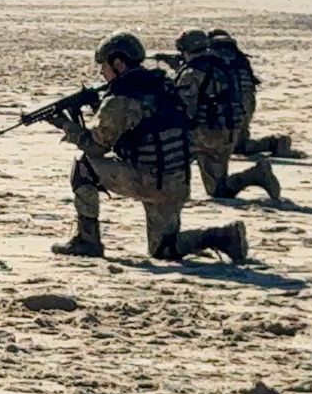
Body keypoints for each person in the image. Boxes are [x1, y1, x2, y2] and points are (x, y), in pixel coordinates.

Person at [50, 32, 248, 262]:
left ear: (118, 63)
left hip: (149, 179)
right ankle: (221, 237)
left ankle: (87, 241)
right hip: (176, 179)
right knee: (163, 248)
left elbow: (96, 146)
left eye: (104, 66)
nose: (101, 73)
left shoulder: (121, 98)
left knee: (84, 166)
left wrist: (66, 125)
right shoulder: (161, 84)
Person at [174, 30, 280, 201]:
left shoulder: (192, 72)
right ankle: (255, 175)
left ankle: (173, 194)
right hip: (228, 133)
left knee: (169, 160)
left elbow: (183, 109)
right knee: (218, 190)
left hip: (204, 134)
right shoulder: (226, 66)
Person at [208, 29, 298, 158]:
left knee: (225, 146)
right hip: (246, 103)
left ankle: (271, 143)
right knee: (236, 140)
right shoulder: (239, 59)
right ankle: (274, 142)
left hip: (229, 106)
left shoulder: (214, 59)